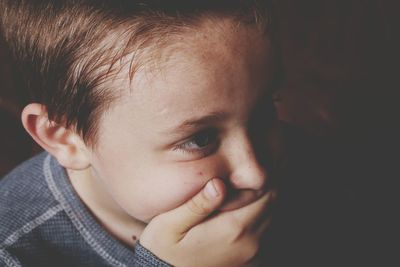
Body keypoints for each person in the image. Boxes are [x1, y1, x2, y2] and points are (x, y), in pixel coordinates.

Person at [0, 0, 282, 266]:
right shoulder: (13, 251)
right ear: (66, 139)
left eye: (264, 114)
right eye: (200, 139)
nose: (255, 174)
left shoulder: (306, 163)